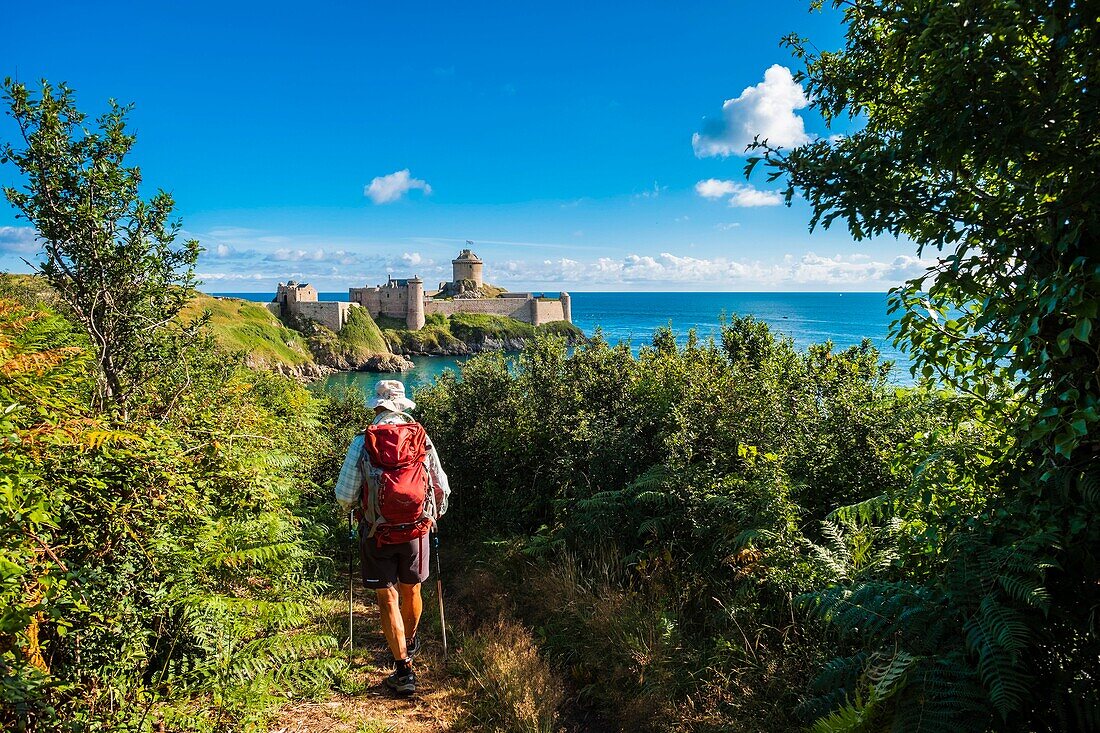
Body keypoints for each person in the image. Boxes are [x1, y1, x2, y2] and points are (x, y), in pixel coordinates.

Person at [335, 379, 450, 695]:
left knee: (387, 597)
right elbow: (441, 487)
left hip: (376, 532)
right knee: (411, 590)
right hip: (416, 529)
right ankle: (410, 640)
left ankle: (402, 670)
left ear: (377, 405)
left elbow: (344, 494)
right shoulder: (420, 440)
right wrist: (434, 515)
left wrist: (357, 507)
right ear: (403, 405)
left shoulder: (363, 442)